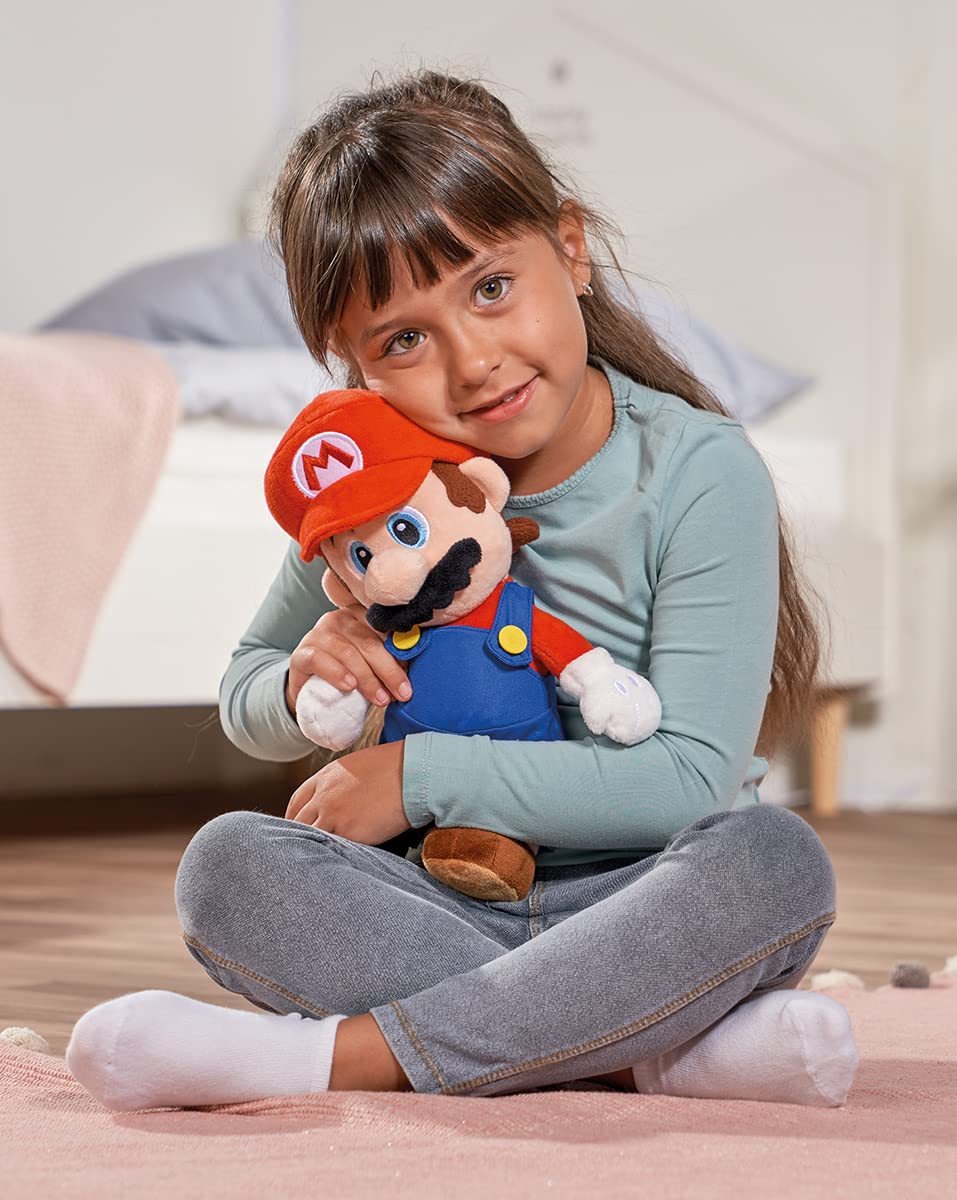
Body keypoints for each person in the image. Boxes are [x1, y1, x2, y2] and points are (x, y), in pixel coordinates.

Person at [64, 67, 859, 1113]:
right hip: (436, 896)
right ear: (351, 366)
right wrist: (297, 676)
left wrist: (417, 777)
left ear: (569, 249)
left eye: (491, 288)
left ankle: (334, 1059)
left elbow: (690, 782)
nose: (474, 361)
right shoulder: (374, 487)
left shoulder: (698, 470)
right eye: (404, 340)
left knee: (771, 861)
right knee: (227, 866)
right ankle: (648, 1050)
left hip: (648, 896)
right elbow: (246, 690)